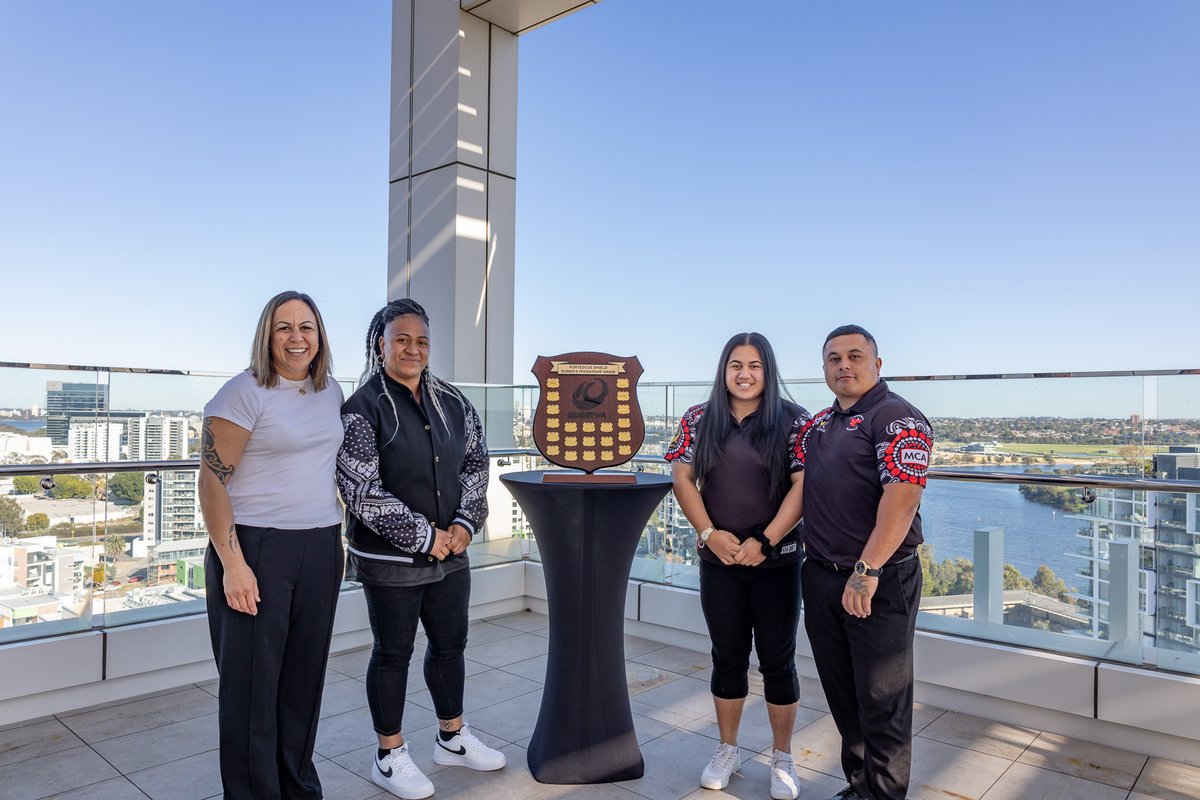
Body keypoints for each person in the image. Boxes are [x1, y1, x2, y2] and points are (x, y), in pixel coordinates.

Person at [336, 298, 505, 800]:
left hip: (453, 551)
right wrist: (425, 537)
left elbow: (477, 464)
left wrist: (464, 526)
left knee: (451, 647)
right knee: (393, 654)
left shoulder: (455, 402)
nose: (413, 349)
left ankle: (451, 737)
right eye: (402, 339)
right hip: (391, 561)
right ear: (380, 344)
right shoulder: (360, 409)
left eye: (422, 341)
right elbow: (361, 492)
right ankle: (389, 754)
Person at [198, 290, 346, 800]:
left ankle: (298, 790)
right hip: (256, 550)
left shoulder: (331, 392)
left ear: (320, 335)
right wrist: (232, 565)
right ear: (267, 334)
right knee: (251, 695)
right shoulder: (243, 392)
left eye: (306, 327)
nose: (296, 337)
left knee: (302, 686)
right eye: (284, 327)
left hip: (322, 547)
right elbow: (212, 482)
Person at [665, 332, 809, 800]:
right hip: (719, 560)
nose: (744, 374)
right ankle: (726, 750)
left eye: (754, 365)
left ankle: (782, 757)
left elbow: (802, 487)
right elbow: (682, 476)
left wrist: (765, 541)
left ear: (768, 370)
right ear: (723, 370)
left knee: (778, 662)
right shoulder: (698, 418)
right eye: (735, 365)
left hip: (778, 562)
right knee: (726, 658)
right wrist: (710, 534)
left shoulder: (794, 421)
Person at [798, 324, 932, 800]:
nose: (844, 366)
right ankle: (860, 788)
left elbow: (903, 500)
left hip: (877, 579)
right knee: (844, 695)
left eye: (855, 356)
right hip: (820, 576)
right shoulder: (821, 424)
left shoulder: (897, 417)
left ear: (878, 364)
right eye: (834, 358)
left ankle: (884, 796)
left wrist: (866, 571)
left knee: (883, 702)